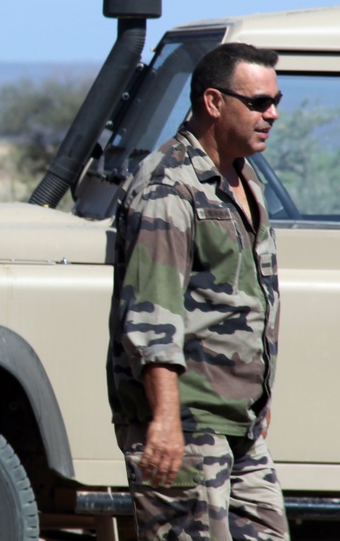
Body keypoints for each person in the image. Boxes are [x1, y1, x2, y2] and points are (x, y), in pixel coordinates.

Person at [106, 42, 289, 540]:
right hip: (186, 422)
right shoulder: (168, 185)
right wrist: (165, 420)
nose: (271, 114)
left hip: (239, 424)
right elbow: (150, 314)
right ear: (213, 102)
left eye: (275, 101)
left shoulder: (242, 178)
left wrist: (260, 404)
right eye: (258, 103)